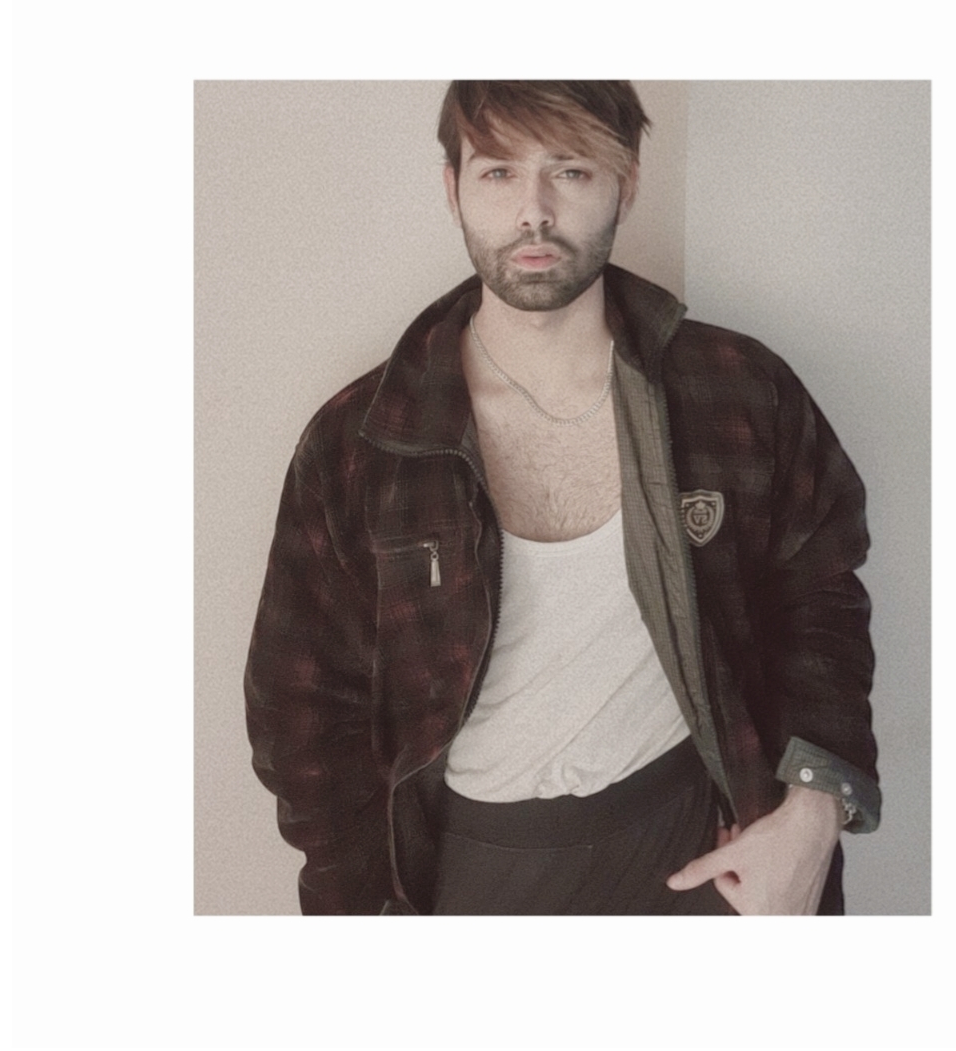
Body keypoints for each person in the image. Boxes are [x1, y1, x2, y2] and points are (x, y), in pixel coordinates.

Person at [244, 80, 879, 916]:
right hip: (474, 869)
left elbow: (820, 597)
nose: (534, 212)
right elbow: (302, 720)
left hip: (708, 848)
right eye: (499, 173)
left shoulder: (738, 389)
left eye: (571, 171)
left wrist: (815, 808)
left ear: (627, 183)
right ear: (453, 188)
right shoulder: (360, 444)